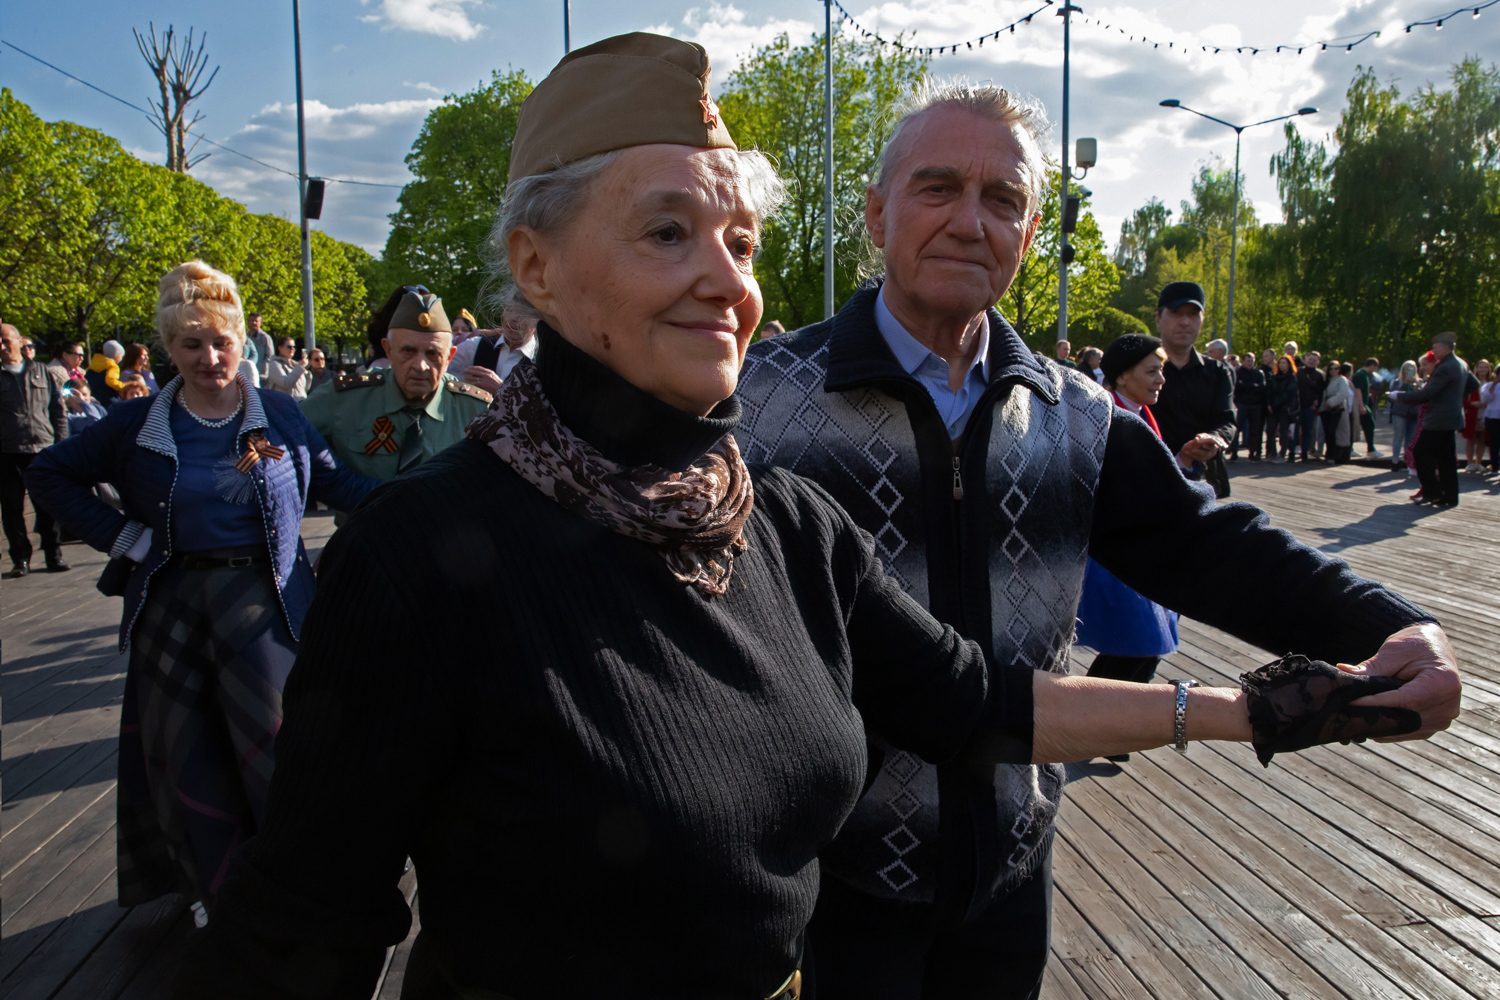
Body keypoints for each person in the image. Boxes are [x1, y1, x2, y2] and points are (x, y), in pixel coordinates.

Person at [169, 40, 1463, 1000]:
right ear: (536, 265)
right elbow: (305, 927)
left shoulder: (805, 511)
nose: (723, 283)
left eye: (736, 241)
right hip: (859, 917)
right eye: (667, 231)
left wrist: (1321, 678)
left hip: (992, 890)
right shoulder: (452, 547)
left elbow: (1001, 686)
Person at [737, 79, 1458, 1000]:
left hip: (1009, 872)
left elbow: (1205, 544)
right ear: (876, 213)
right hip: (830, 884)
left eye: (1004, 200)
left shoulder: (1072, 417)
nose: (971, 221)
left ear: (1030, 236)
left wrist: (1389, 623)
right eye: (937, 187)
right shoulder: (764, 400)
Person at [25, 260, 378, 931]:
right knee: (191, 756)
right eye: (192, 345)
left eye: (221, 342)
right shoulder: (134, 423)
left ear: (240, 341)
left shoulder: (277, 413)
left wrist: (428, 490)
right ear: (169, 348)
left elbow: (340, 487)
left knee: (281, 750)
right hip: (175, 605)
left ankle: (289, 885)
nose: (210, 358)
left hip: (267, 605)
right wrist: (122, 539)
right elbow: (50, 472)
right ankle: (213, 891)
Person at [299, 286, 493, 519]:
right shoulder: (343, 399)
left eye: (433, 354)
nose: (421, 365)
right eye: (408, 351)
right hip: (365, 545)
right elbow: (289, 435)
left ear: (450, 357)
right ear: (388, 350)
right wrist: (333, 480)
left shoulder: (477, 410)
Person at [1075, 335, 1180, 724]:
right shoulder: (1107, 417)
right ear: (1121, 378)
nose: (1160, 380)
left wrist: (1182, 460)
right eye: (1152, 371)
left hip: (1144, 544)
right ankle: (1096, 720)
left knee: (1146, 645)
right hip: (1117, 550)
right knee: (1138, 642)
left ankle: (1109, 722)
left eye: (1162, 370)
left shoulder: (1140, 413)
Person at [1152, 281, 1236, 497]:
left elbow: (1226, 419)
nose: (1185, 322)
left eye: (1193, 314)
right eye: (1176, 313)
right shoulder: (1139, 370)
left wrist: (1213, 440)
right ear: (1158, 318)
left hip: (1203, 481)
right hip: (1150, 480)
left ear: (1202, 319)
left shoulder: (1217, 372)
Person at [0, 323, 69, 576]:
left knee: (48, 507)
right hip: (8, 453)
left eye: (7, 340)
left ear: (20, 342)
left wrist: (61, 444)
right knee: (11, 509)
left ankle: (54, 555)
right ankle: (20, 558)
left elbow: (57, 410)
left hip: (42, 449)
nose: (3, 346)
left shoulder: (42, 372)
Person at [1391, 332, 1466, 506]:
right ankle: (1449, 496)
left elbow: (1429, 393)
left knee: (1420, 452)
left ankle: (1433, 492)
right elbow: (1473, 384)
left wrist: (1399, 396)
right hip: (1450, 417)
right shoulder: (1461, 363)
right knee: (1445, 458)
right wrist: (1454, 399)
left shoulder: (1446, 366)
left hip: (1439, 419)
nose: (1433, 350)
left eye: (1435, 347)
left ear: (1446, 348)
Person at [445, 298, 539, 395]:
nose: (513, 318)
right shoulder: (475, 346)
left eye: (522, 313)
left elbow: (542, 408)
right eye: (509, 310)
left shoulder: (543, 363)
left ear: (537, 321)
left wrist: (501, 389)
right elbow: (439, 363)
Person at [1231, 350, 1266, 462]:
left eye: (1252, 361)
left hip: (1255, 405)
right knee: (1237, 429)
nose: (1250, 363)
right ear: (1243, 361)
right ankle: (1234, 452)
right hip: (1241, 404)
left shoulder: (1258, 373)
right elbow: (1238, 387)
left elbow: (1261, 388)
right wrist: (1252, 386)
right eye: (1248, 361)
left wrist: (1247, 386)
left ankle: (1252, 452)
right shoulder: (1238, 372)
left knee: (1254, 430)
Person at [1266, 355, 1300, 461]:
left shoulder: (1292, 378)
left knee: (1284, 431)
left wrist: (1276, 404)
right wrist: (1269, 404)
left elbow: (1289, 394)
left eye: (1284, 363)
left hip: (1285, 408)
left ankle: (1282, 453)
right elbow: (1269, 391)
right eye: (1280, 363)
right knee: (1270, 430)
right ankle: (1272, 452)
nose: (1281, 365)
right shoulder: (1274, 377)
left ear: (1289, 365)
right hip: (1273, 408)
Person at [1389, 360, 1421, 473]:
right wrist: (1405, 383)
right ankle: (1395, 461)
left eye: (1411, 369)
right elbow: (1392, 396)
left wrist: (1414, 386)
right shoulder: (1397, 382)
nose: (1409, 371)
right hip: (1400, 412)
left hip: (1414, 414)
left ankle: (1408, 461)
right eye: (1407, 368)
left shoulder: (1419, 383)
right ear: (1403, 370)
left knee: (1410, 439)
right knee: (1398, 436)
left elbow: (1421, 396)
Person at [1295, 349, 1326, 462]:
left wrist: (1317, 403)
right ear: (1305, 360)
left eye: (1314, 360)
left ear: (1318, 362)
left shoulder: (1319, 375)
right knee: (1294, 430)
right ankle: (1292, 452)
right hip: (1297, 406)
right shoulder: (1298, 372)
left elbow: (1321, 391)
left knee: (1308, 431)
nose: (1312, 361)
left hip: (1310, 407)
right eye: (1310, 359)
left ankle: (1305, 453)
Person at [1319, 361, 1352, 464]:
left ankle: (1332, 456)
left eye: (1336, 368)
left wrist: (1330, 402)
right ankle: (1329, 454)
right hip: (1325, 410)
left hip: (1336, 409)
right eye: (1331, 369)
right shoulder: (1326, 380)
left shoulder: (1342, 379)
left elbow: (1343, 393)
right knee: (1327, 433)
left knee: (1331, 431)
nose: (1334, 370)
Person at [1462, 359, 1490, 473]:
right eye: (1481, 367)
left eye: (1485, 367)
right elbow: (1462, 397)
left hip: (1486, 413)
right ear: (1476, 368)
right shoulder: (1470, 382)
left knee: (1482, 439)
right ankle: (1470, 463)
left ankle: (1478, 463)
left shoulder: (1492, 382)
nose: (1483, 369)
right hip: (1472, 412)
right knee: (1470, 439)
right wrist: (1472, 403)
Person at [1351, 358, 1380, 457]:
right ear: (1372, 365)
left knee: (1364, 425)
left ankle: (1370, 449)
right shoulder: (1361, 375)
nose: (1374, 370)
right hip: (1361, 405)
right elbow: (1357, 390)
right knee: (1369, 424)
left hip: (1362, 404)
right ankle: (1370, 449)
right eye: (1375, 368)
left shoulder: (1362, 374)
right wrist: (1361, 405)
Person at [87, 339, 127, 408]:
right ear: (116, 355)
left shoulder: (94, 363)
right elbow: (111, 381)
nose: (121, 359)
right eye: (121, 356)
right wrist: (124, 386)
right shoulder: (113, 366)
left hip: (94, 396)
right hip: (108, 399)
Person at [1480, 364, 1500, 473]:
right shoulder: (1488, 385)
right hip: (1492, 417)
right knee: (1494, 442)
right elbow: (1486, 398)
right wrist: (1495, 384)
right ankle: (1495, 466)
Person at [247, 313, 274, 381]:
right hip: (247, 373)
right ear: (247, 322)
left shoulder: (265, 337)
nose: (254, 323)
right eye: (251, 320)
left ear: (261, 323)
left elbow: (270, 356)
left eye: (256, 321)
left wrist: (265, 369)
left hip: (261, 374)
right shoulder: (245, 337)